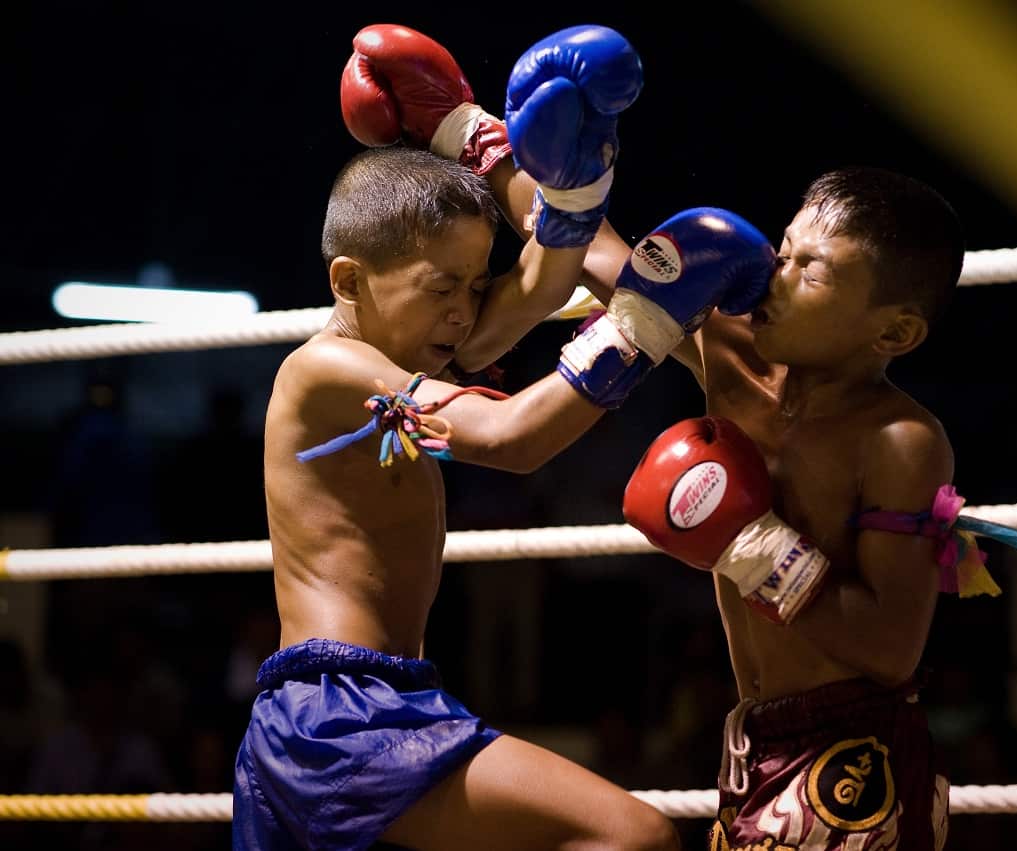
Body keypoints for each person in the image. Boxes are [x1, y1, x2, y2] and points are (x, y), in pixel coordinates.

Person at [230, 23, 778, 851]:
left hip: (372, 702)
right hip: (338, 712)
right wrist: (643, 320)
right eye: (443, 288)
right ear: (350, 279)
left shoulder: (396, 349)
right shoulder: (325, 372)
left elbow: (535, 287)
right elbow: (511, 435)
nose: (463, 311)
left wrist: (571, 191)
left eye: (473, 286)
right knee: (634, 835)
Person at [462, 165, 1017, 848]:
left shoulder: (901, 441)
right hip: (751, 739)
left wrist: (746, 541)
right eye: (785, 249)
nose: (776, 275)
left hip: (856, 752)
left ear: (892, 334)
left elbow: (891, 650)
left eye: (815, 271)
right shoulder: (731, 351)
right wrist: (468, 135)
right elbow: (593, 247)